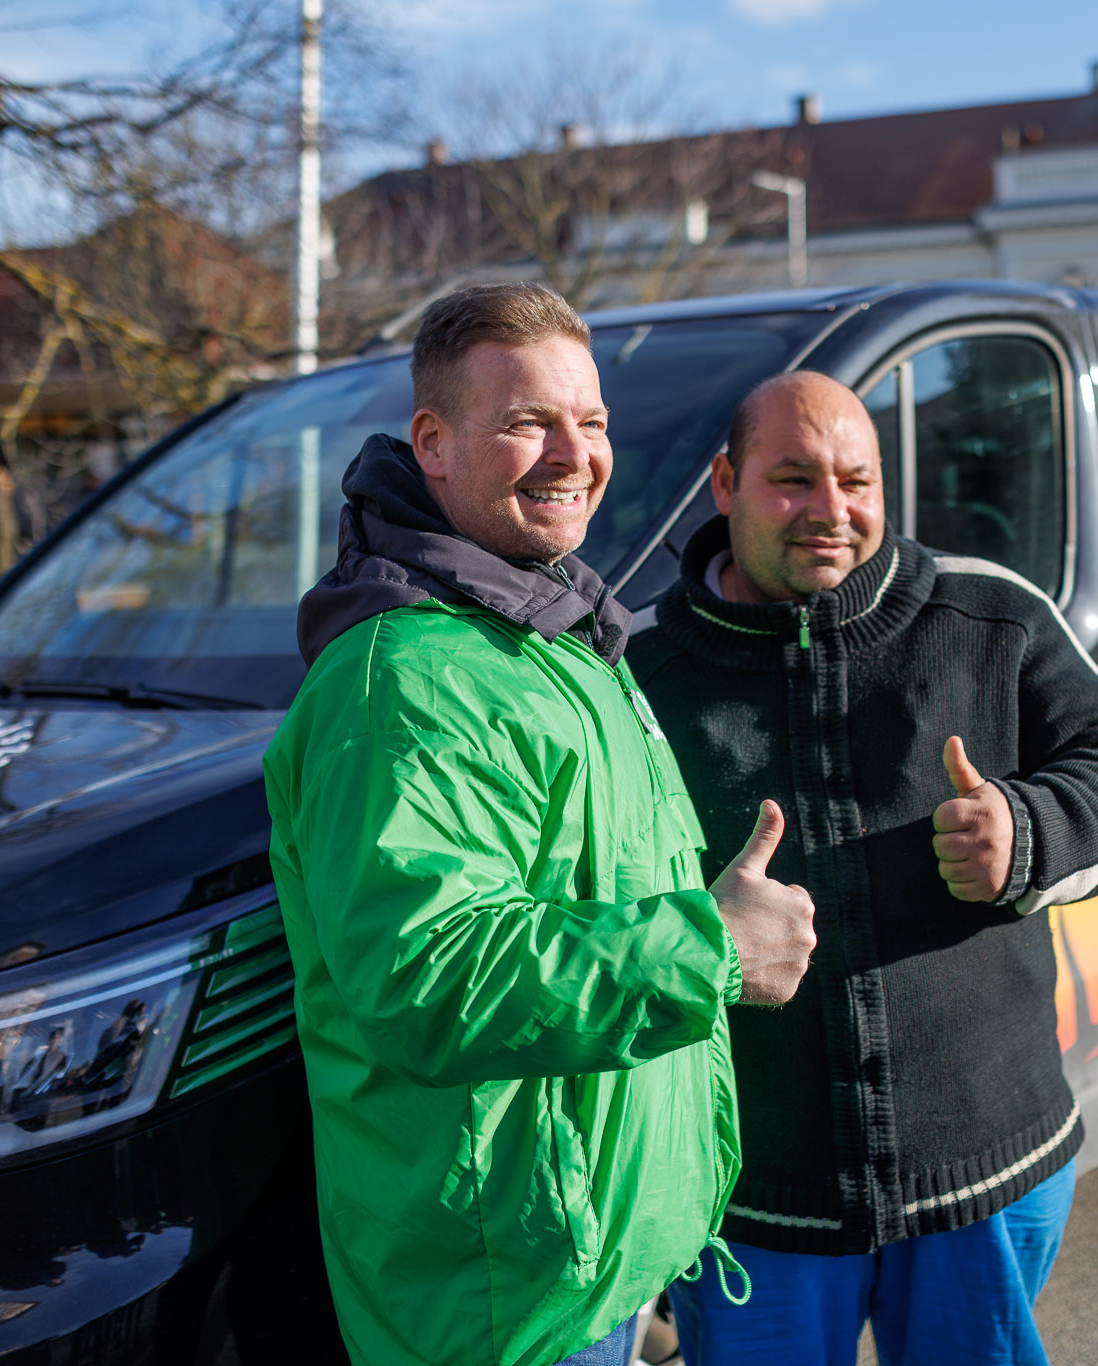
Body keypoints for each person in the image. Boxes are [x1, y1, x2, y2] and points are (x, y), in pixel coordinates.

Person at [263, 284, 817, 1366]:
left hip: (584, 1262)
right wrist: (710, 946)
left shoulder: (540, 626)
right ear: (432, 443)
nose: (575, 455)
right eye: (527, 422)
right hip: (509, 1303)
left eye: (591, 421)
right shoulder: (407, 679)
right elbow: (428, 977)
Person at [631, 371, 1098, 1365]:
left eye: (856, 481)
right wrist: (701, 930)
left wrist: (1028, 832)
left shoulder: (987, 613)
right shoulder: (636, 670)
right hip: (752, 1198)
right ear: (725, 483)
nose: (830, 510)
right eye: (793, 479)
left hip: (985, 1171)